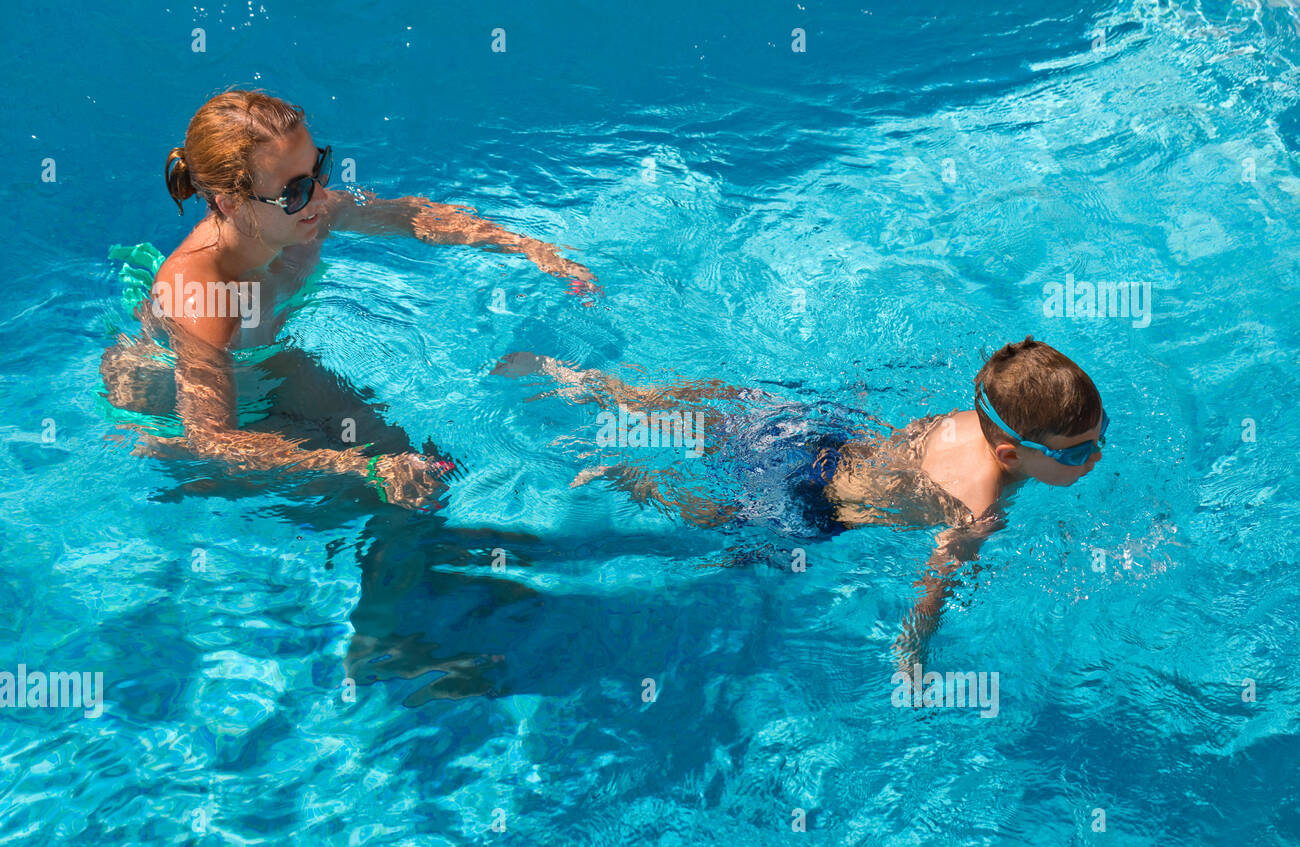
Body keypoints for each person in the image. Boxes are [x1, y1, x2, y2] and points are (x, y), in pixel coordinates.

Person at [101, 89, 599, 511]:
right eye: (295, 190)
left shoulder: (301, 216)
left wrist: (531, 248)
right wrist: (363, 469)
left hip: (267, 365)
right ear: (231, 203)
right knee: (357, 492)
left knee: (419, 464)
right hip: (172, 415)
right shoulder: (202, 296)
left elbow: (408, 217)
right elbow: (211, 439)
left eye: (320, 169)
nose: (321, 196)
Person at [493, 337, 1108, 664]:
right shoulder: (983, 505)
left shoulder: (973, 418)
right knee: (724, 526)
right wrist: (913, 649)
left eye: (1101, 436)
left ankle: (582, 382)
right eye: (1080, 451)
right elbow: (936, 584)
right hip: (807, 500)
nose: (1096, 457)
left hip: (818, 433)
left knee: (710, 413)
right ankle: (629, 477)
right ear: (1011, 455)